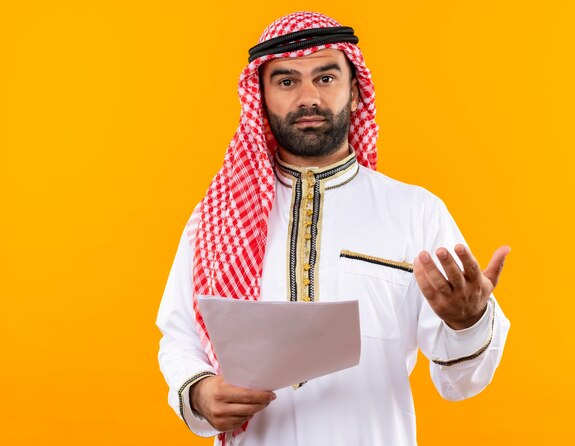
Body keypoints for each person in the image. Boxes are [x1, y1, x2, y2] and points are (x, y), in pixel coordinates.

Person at [157, 11, 511, 446]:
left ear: (356, 92)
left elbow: (461, 383)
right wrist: (198, 392)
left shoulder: (416, 212)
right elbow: (179, 335)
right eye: (286, 82)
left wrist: (468, 321)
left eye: (325, 78)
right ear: (261, 98)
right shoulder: (216, 218)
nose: (308, 97)